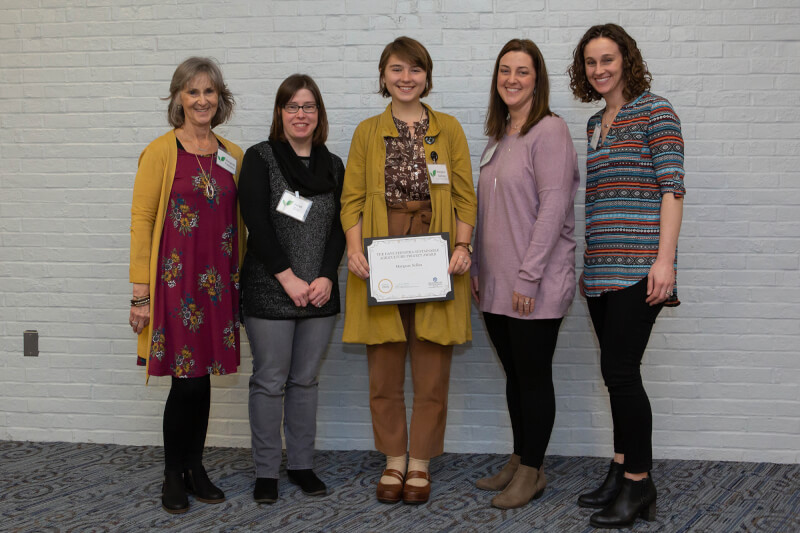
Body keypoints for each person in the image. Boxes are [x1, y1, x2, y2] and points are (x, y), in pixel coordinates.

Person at [340, 36, 477, 505]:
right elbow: (352, 200)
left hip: (435, 250)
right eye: (396, 69)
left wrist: (463, 245)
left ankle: (420, 459)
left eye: (415, 69)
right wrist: (355, 251)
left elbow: (464, 196)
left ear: (427, 76)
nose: (405, 78)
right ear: (383, 76)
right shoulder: (365, 132)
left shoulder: (450, 129)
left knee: (432, 361)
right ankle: (393, 458)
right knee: (383, 363)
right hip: (381, 251)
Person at [568, 23, 685, 529]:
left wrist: (665, 260)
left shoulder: (656, 111)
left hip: (640, 268)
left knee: (622, 373)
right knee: (614, 374)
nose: (599, 70)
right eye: (591, 62)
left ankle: (639, 483)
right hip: (599, 272)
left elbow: (672, 189)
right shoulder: (596, 122)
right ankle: (620, 470)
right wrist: (588, 264)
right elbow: (599, 201)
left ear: (627, 60)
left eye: (607, 60)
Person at [129, 57, 244, 514]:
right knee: (187, 382)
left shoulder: (230, 153)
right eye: (193, 92)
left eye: (209, 92)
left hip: (217, 282)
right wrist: (140, 294)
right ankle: (173, 473)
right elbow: (142, 221)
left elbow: (239, 221)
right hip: (175, 282)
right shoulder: (160, 151)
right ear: (178, 98)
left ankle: (196, 468)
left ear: (221, 99)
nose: (202, 100)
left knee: (204, 378)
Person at [471, 39, 580, 510]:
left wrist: (528, 278)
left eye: (522, 71)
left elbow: (554, 209)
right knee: (515, 375)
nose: (512, 79)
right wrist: (476, 267)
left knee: (533, 376)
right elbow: (488, 213)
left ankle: (534, 471)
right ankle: (520, 458)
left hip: (531, 284)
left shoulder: (549, 131)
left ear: (538, 79)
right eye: (504, 71)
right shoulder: (499, 137)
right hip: (496, 283)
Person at [238, 74, 345, 504]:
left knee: (305, 381)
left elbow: (341, 227)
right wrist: (288, 278)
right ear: (280, 113)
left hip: (319, 292)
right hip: (270, 290)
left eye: (309, 107)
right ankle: (266, 471)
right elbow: (256, 225)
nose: (301, 114)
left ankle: (301, 465)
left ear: (319, 115)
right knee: (269, 380)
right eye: (292, 106)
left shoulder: (334, 165)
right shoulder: (260, 158)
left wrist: (324, 276)